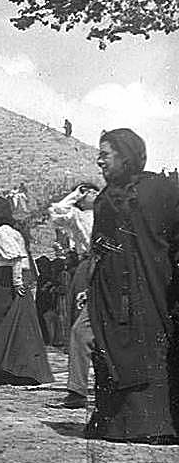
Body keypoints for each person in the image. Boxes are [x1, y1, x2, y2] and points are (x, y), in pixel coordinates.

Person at [86, 129, 178, 443]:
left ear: (125, 155)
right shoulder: (115, 195)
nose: (99, 161)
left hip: (151, 285)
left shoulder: (156, 191)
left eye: (105, 154)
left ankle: (148, 425)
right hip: (122, 291)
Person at [0, 197, 53, 385]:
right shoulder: (13, 231)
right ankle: (10, 369)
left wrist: (17, 283)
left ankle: (2, 370)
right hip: (7, 278)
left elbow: (16, 257)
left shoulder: (1, 232)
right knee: (13, 324)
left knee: (0, 323)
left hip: (3, 280)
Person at [45, 186, 100, 411]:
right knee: (81, 325)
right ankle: (77, 389)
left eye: (96, 192)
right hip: (87, 265)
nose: (94, 195)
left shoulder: (109, 212)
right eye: (89, 193)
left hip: (107, 265)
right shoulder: (78, 215)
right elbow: (56, 212)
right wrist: (76, 194)